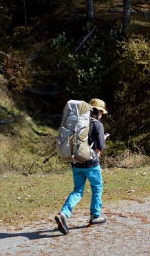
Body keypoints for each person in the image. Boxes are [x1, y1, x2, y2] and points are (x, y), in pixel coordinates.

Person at [55, 98, 108, 235]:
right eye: (102, 112)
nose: (102, 115)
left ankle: (64, 214)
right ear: (98, 111)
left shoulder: (78, 123)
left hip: (76, 162)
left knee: (78, 190)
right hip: (91, 164)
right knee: (97, 187)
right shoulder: (98, 125)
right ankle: (95, 216)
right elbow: (100, 146)